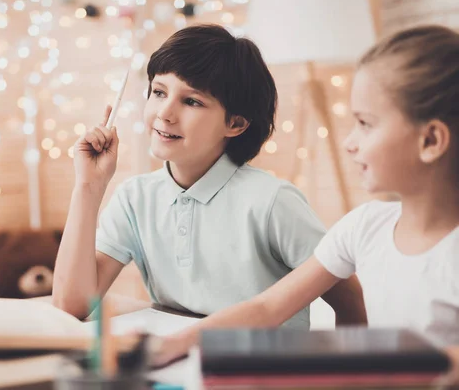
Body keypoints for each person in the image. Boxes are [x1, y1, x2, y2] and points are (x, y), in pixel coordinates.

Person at [154, 25, 459, 374]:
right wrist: (175, 344)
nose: (350, 143)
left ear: (431, 140)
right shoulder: (364, 226)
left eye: (365, 124)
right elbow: (267, 308)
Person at [52, 24, 366, 330]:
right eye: (159, 92)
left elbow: (349, 299)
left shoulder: (273, 202)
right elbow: (72, 305)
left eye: (191, 101)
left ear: (236, 124)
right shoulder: (135, 198)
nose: (165, 112)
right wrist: (88, 187)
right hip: (181, 364)